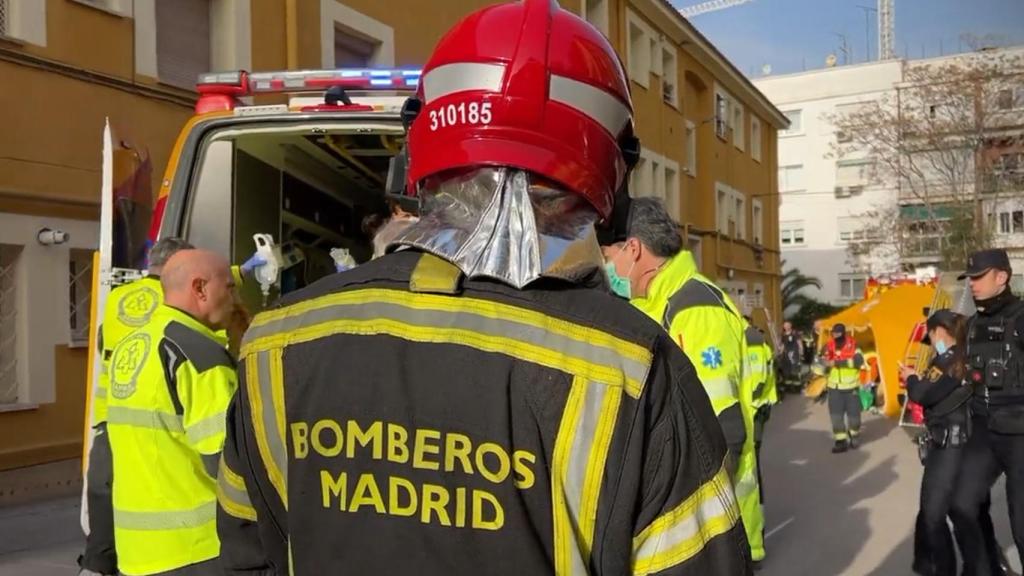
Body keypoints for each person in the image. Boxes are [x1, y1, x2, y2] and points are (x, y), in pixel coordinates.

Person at [216, 2, 751, 574]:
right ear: (611, 175)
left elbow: (246, 555)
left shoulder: (274, 344)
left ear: (418, 146)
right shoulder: (634, 368)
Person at [79, 238, 259, 576]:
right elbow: (228, 465)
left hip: (138, 554)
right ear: (200, 289)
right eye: (230, 287)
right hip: (199, 549)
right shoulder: (200, 355)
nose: (235, 300)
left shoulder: (134, 344)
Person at [602, 196, 766, 563]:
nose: (606, 268)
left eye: (608, 256)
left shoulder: (694, 308)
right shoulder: (654, 306)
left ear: (633, 248)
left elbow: (723, 427)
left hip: (712, 529)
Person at [79, 238, 192, 576]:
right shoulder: (174, 299)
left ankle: (98, 564)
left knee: (106, 493)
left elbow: (103, 344)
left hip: (112, 416)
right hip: (156, 417)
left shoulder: (117, 298)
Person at [949, 248, 1024, 576]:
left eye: (979, 278)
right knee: (960, 503)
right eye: (970, 279)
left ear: (1002, 277)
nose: (973, 285)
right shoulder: (974, 324)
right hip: (983, 427)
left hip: (1021, 432)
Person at [823, 323, 865, 453]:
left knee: (855, 419)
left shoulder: (854, 346)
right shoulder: (828, 346)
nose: (835, 336)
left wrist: (837, 363)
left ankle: (854, 434)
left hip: (851, 388)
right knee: (836, 418)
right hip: (834, 388)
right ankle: (840, 442)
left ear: (843, 333)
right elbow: (822, 362)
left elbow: (859, 361)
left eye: (837, 333)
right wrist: (822, 366)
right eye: (833, 333)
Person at [778, 321, 804, 392]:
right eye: (785, 325)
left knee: (795, 371)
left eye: (788, 325)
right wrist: (780, 352)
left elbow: (799, 343)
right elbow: (783, 345)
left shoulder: (795, 333)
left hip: (794, 355)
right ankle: (789, 388)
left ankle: (797, 388)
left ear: (790, 326)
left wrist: (801, 352)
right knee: (787, 371)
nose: (786, 327)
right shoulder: (783, 335)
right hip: (786, 356)